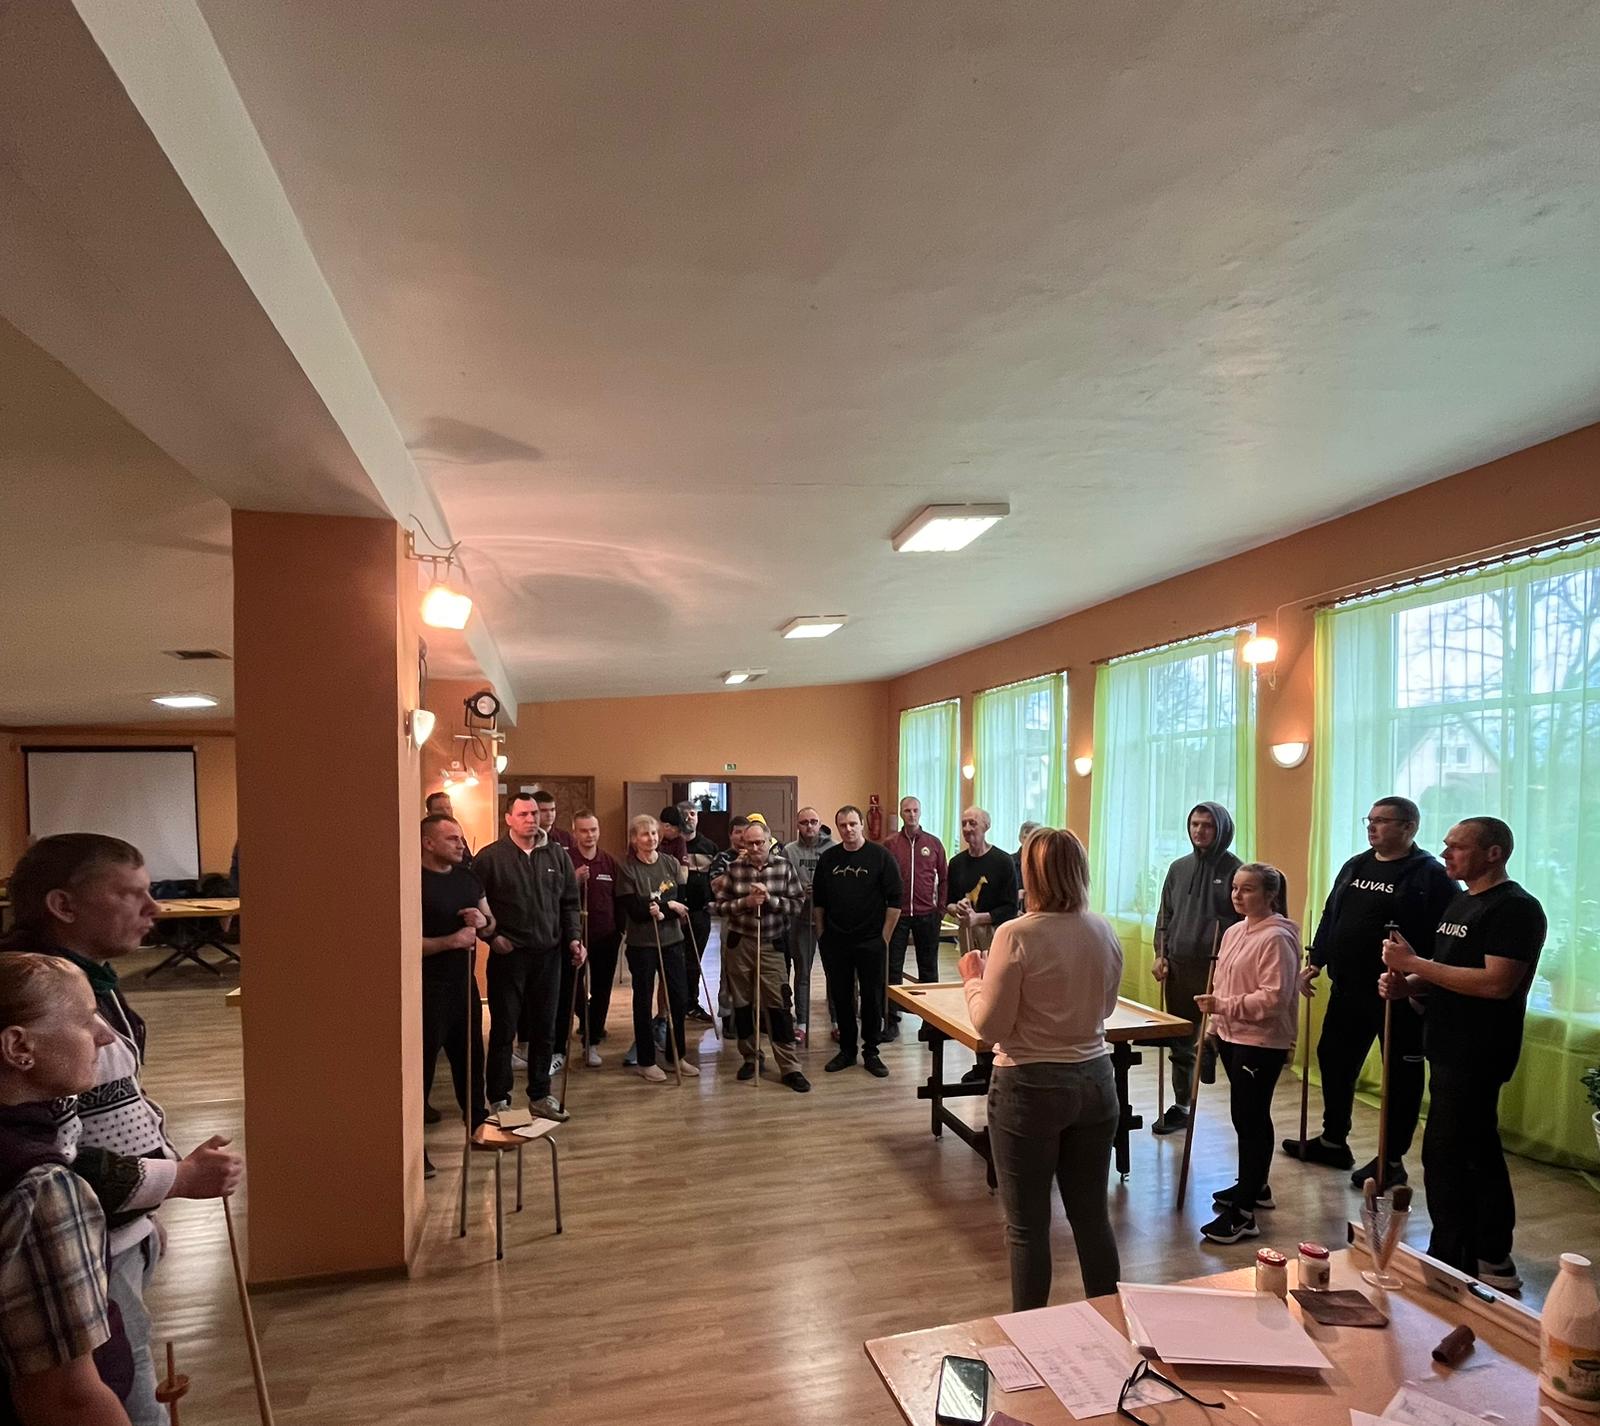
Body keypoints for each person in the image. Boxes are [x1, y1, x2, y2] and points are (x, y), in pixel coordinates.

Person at [0, 835, 242, 1426]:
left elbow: (107, 1109)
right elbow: (57, 1151)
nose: (154, 907)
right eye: (131, 894)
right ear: (63, 905)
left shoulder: (84, 979)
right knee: (110, 1387)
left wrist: (147, 1209)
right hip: (80, 1247)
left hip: (116, 1228)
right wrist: (176, 1178)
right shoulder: (35, 998)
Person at [958, 830, 1124, 1307]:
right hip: (1095, 1079)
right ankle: (1113, 1325)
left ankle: (1031, 1335)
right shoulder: (1102, 929)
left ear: (1031, 874)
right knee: (1091, 1218)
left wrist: (973, 979)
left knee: (1028, 1228)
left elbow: (989, 1027)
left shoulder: (1016, 933)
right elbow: (1106, 1008)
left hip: (1028, 1084)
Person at [1379, 817, 1546, 1290]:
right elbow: (1448, 969)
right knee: (1457, 1152)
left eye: (1458, 847)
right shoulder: (1461, 900)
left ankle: (1484, 1255)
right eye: (1446, 845)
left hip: (1480, 1048)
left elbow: (1496, 982)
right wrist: (1409, 983)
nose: (1446, 853)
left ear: (1493, 853)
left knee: (1460, 1154)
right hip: (1446, 1042)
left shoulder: (1515, 908)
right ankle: (1459, 1249)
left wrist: (1414, 964)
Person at [1286, 797, 1457, 1185]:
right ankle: (1333, 1140)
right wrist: (1317, 959)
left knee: (1399, 1078)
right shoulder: (1356, 865)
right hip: (1349, 988)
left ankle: (1391, 1160)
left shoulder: (1431, 875)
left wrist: (1418, 983)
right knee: (1334, 1061)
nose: (1372, 826)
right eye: (1370, 819)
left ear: (1409, 827)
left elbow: (1445, 939)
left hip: (1399, 994)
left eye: (1382, 821)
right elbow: (1332, 915)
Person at [0, 953, 132, 1425]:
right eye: (84, 1018)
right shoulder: (42, 1190)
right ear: (19, 1047)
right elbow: (65, 1400)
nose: (105, 1035)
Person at [1195, 862, 1300, 1245]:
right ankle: (1255, 1186)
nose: (1237, 895)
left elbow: (1274, 999)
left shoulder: (1277, 939)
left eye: (1248, 889)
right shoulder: (1234, 931)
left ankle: (1244, 1214)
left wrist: (1223, 1007)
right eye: (1235, 888)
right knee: (1243, 1116)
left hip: (1261, 1040)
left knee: (1252, 1118)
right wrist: (1212, 1028)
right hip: (1232, 1035)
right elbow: (1222, 984)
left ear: (1270, 895)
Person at [473, 794, 584, 1122]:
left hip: (549, 955)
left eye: (534, 813)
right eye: (523, 814)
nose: (531, 819)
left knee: (545, 1028)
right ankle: (499, 1098)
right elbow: (474, 903)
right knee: (504, 1029)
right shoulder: (490, 858)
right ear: (508, 818)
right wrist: (491, 937)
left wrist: (574, 938)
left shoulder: (557, 855)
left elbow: (569, 902)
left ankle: (539, 1093)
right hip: (509, 956)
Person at [1150, 802, 1242, 1136]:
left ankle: (1242, 1112)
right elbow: (1166, 915)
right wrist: (1161, 954)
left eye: (1207, 825)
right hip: (1179, 966)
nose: (1199, 831)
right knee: (1180, 1040)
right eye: (1194, 824)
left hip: (1219, 969)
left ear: (1222, 829)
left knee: (1228, 1040)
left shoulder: (1236, 870)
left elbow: (1244, 923)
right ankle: (1182, 1107)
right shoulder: (1178, 868)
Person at [714, 821, 810, 1091]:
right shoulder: (735, 869)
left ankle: (790, 1067)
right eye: (750, 843)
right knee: (743, 1004)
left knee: (778, 1004)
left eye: (760, 842)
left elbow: (797, 904)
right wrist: (745, 903)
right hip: (740, 944)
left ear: (769, 842)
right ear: (743, 844)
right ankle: (750, 1057)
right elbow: (718, 907)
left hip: (771, 944)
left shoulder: (784, 867)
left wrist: (771, 900)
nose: (755, 847)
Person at [419, 815, 492, 1155]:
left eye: (461, 838)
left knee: (471, 1060)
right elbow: (401, 943)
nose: (461, 845)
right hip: (425, 989)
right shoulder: (413, 882)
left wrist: (483, 920)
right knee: (422, 1069)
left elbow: (490, 922)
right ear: (428, 843)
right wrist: (450, 941)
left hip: (463, 986)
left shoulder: (468, 878)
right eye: (452, 839)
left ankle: (478, 1127)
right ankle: (415, 1153)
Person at [813, 806, 902, 1078]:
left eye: (853, 824)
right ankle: (847, 1050)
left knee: (872, 998)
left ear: (862, 824)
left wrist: (883, 938)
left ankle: (871, 1051)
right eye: (843, 825)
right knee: (841, 997)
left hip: (871, 941)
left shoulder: (881, 857)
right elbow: (819, 902)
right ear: (838, 828)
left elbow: (895, 901)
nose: (848, 829)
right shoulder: (829, 859)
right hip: (836, 941)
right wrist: (822, 935)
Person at [614, 816, 699, 1084]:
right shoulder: (627, 869)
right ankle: (646, 1061)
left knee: (678, 998)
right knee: (643, 1000)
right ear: (634, 839)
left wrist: (664, 909)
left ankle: (677, 1056)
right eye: (644, 834)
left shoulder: (670, 863)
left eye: (653, 833)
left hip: (672, 941)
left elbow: (682, 902)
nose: (650, 838)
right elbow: (636, 911)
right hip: (642, 945)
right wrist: (668, 906)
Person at [947, 807, 1019, 1081]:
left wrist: (979, 918)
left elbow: (1010, 908)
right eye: (964, 823)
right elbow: (948, 902)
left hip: (995, 935)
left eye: (973, 823)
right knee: (973, 991)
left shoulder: (1002, 861)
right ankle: (981, 1060)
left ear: (986, 826)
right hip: (967, 933)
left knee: (994, 994)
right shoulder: (956, 862)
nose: (967, 828)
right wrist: (957, 908)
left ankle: (996, 1059)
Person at [883, 796, 948, 1042]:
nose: (911, 814)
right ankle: (891, 1019)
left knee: (929, 968)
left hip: (927, 915)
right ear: (901, 813)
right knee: (892, 968)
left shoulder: (933, 843)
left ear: (920, 812)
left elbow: (944, 878)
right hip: (898, 915)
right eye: (907, 810)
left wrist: (940, 909)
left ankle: (931, 1022)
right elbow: (882, 877)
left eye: (915, 810)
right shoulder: (890, 844)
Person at [567, 811, 622, 1068]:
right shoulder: (566, 860)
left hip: (606, 937)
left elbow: (618, 898)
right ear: (575, 832)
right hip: (574, 938)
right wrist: (574, 879)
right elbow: (554, 894)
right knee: (572, 989)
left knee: (602, 991)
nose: (589, 835)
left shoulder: (609, 862)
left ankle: (592, 1043)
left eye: (593, 830)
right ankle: (586, 1019)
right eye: (584, 830)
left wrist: (619, 930)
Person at [782, 808, 829, 1044]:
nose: (809, 826)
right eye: (804, 822)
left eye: (813, 821)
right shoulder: (789, 851)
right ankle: (801, 1022)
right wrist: (799, 888)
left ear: (820, 823)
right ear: (797, 825)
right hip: (800, 920)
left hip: (828, 920)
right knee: (803, 972)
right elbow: (781, 882)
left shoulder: (833, 849)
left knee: (835, 972)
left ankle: (837, 1021)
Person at [676, 802, 719, 1021]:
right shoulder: (670, 845)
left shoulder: (709, 846)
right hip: (674, 915)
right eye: (684, 814)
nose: (689, 818)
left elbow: (716, 878)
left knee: (694, 961)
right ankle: (675, 1005)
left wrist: (713, 902)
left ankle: (692, 1004)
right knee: (676, 962)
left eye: (692, 814)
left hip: (699, 913)